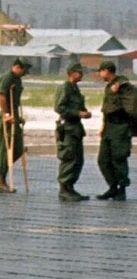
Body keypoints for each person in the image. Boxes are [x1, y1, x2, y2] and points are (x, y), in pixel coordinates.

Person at [0, 56, 29, 192]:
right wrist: (7, 114)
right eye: (24, 71)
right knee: (5, 148)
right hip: (7, 115)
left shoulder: (17, 79)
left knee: (19, 148)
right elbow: (1, 96)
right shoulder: (7, 77)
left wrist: (18, 118)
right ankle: (1, 179)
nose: (25, 74)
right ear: (17, 67)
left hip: (15, 115)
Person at [96, 61, 132, 201]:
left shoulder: (123, 85)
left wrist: (116, 93)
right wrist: (103, 125)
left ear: (107, 71)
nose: (100, 74)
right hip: (109, 127)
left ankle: (121, 189)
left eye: (101, 71)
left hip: (120, 127)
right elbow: (106, 109)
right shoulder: (109, 87)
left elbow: (122, 106)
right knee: (103, 159)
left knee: (119, 158)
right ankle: (112, 186)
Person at [54, 62, 90, 202]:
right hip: (67, 128)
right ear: (73, 73)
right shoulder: (65, 88)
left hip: (76, 128)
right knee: (69, 158)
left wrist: (84, 113)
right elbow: (59, 108)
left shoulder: (75, 89)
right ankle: (64, 189)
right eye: (80, 72)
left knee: (78, 160)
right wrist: (77, 113)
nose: (82, 75)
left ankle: (70, 187)